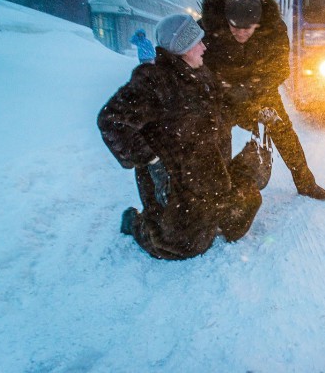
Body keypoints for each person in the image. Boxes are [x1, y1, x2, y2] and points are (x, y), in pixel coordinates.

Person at [97, 14, 262, 260]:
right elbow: (111, 121)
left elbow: (220, 112)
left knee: (239, 218)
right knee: (184, 246)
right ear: (182, 47)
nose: (204, 47)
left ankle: (228, 191)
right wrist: (152, 161)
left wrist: (253, 116)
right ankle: (135, 222)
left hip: (212, 177)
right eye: (198, 42)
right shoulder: (154, 81)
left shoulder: (201, 73)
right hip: (177, 185)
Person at [200, 0, 325, 201]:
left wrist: (252, 89)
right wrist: (226, 89)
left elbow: (281, 68)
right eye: (235, 28)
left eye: (247, 29)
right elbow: (198, 66)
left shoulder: (274, 30)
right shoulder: (207, 29)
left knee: (284, 132)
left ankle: (306, 183)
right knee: (216, 134)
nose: (241, 33)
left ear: (258, 23)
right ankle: (218, 189)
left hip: (261, 91)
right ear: (225, 19)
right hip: (223, 94)